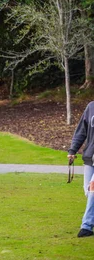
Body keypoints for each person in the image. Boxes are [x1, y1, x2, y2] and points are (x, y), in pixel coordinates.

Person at [67, 101, 94, 238]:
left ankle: (86, 226)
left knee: (93, 190)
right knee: (87, 191)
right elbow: (81, 131)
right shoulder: (91, 107)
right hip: (90, 157)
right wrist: (73, 150)